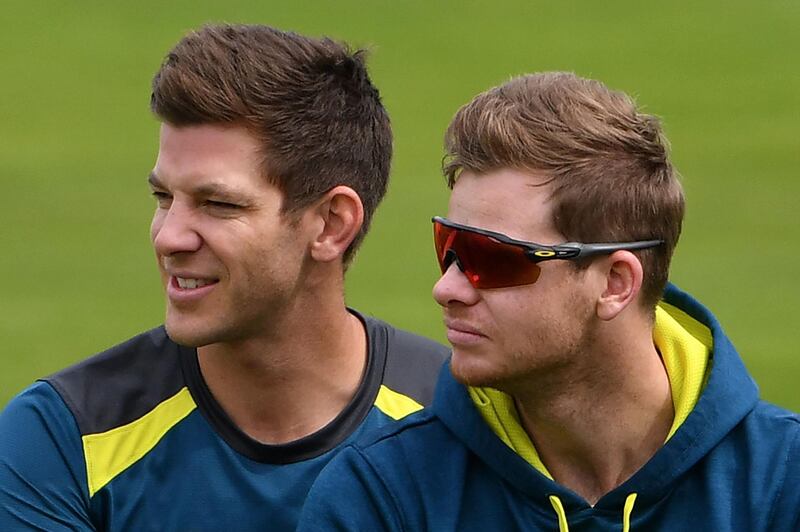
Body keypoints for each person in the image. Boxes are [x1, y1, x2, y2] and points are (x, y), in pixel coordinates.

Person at [298, 72, 800, 531]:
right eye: (448, 248)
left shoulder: (783, 483)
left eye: (491, 258)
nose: (447, 288)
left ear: (615, 284)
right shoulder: (384, 494)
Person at [0, 24, 447, 531]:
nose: (170, 237)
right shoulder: (65, 437)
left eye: (218, 204)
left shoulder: (462, 426)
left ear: (330, 224)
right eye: (164, 198)